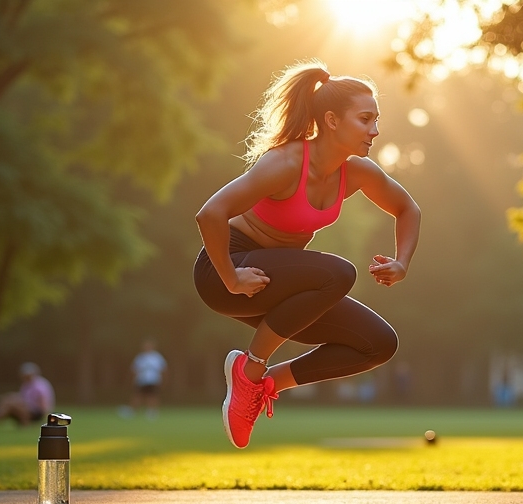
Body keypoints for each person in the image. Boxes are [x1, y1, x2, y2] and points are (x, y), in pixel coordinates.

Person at [194, 59, 421, 449]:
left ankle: (263, 384)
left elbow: (408, 209)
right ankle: (250, 368)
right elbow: (209, 213)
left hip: (279, 286)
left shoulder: (357, 172)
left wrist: (402, 262)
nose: (375, 129)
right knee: (338, 273)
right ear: (331, 120)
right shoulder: (284, 164)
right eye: (365, 119)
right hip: (226, 272)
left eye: (376, 119)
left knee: (378, 343)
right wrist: (231, 276)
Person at [0, 362, 55, 429]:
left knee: (9, 404)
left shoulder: (40, 386)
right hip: (27, 409)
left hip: (37, 413)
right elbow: (24, 398)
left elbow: (42, 407)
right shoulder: (27, 384)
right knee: (6, 400)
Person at [128, 339, 167, 419]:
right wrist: (133, 379)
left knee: (152, 396)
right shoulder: (140, 357)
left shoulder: (157, 357)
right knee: (137, 396)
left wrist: (163, 380)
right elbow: (134, 369)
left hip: (153, 380)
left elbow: (163, 369)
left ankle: (152, 412)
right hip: (141, 380)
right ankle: (132, 411)